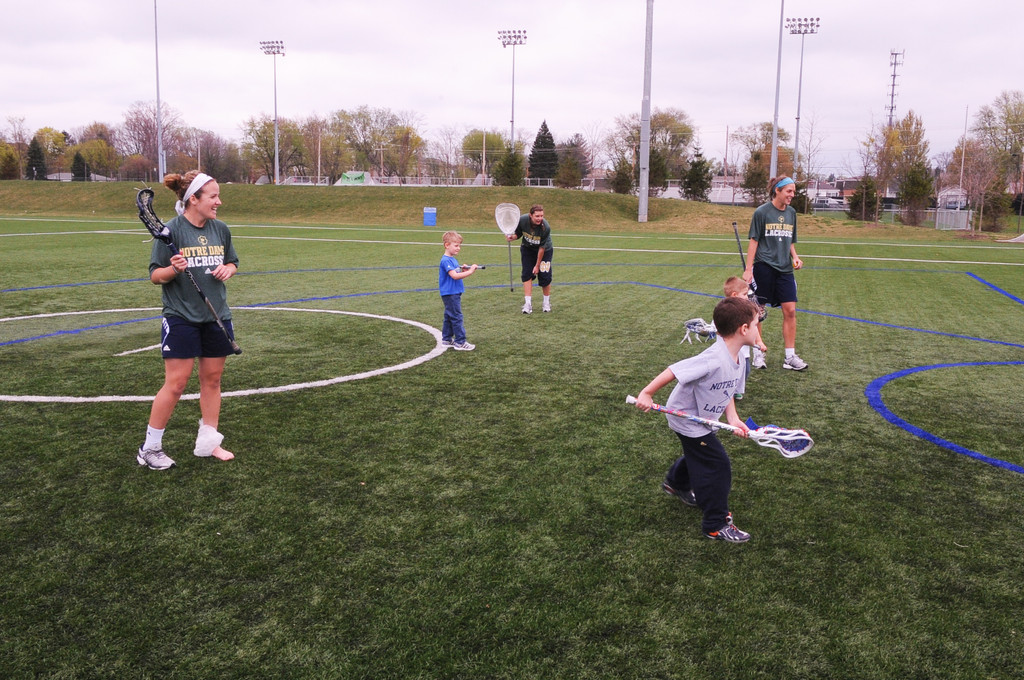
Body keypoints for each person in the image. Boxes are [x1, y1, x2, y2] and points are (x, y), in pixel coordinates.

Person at [633, 297, 759, 543]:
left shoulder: (735, 356)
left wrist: (733, 418)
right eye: (755, 324)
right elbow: (674, 370)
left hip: (703, 418)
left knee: (698, 455)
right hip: (688, 420)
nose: (757, 329)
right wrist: (646, 394)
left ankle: (676, 483)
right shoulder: (714, 357)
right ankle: (715, 524)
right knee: (717, 465)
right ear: (744, 329)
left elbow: (727, 389)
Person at [137, 171, 239, 470]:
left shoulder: (221, 229)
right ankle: (150, 448)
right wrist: (173, 269)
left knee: (212, 380)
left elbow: (233, 261)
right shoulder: (170, 231)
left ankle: (209, 443)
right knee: (177, 383)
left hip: (216, 315)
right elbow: (156, 275)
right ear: (193, 199)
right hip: (181, 316)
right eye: (213, 196)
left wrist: (228, 270)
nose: (218, 201)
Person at [743, 175, 807, 371]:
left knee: (790, 310)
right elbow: (754, 241)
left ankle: (790, 357)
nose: (792, 195)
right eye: (789, 191)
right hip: (764, 266)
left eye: (793, 192)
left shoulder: (792, 213)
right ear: (777, 190)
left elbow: (790, 241)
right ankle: (758, 354)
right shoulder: (761, 212)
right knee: (758, 312)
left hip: (785, 269)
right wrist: (748, 269)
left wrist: (795, 257)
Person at [506, 204, 553, 314]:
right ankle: (528, 304)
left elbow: (542, 248)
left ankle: (546, 302)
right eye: (537, 216)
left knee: (545, 275)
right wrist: (511, 237)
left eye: (541, 216)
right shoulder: (522, 220)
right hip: (527, 249)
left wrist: (537, 265)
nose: (539, 218)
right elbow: (518, 234)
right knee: (527, 274)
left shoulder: (545, 227)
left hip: (545, 251)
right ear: (530, 215)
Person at [438, 230, 479, 351]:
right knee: (456, 317)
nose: (458, 248)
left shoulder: (452, 259)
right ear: (447, 245)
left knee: (449, 316)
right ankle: (460, 342)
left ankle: (446, 339)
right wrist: (470, 272)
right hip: (450, 293)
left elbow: (456, 272)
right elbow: (454, 276)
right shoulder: (446, 260)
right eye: (456, 245)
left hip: (453, 292)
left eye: (459, 245)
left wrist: (464, 270)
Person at [724, 275, 768, 374]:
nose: (747, 298)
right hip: (728, 352)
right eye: (744, 294)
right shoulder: (724, 310)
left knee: (745, 372)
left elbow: (754, 328)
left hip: (743, 354)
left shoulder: (747, 311)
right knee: (728, 373)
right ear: (734, 295)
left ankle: (738, 389)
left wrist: (759, 342)